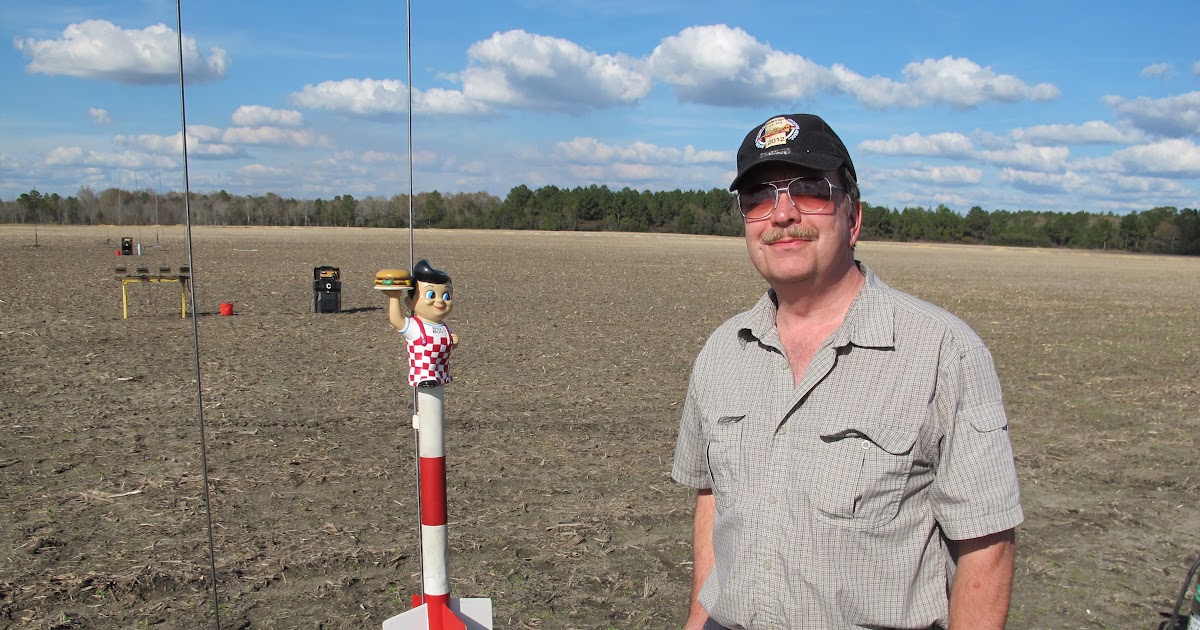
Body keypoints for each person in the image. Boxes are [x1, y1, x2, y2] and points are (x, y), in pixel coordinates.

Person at [671, 114, 1023, 630]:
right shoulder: (723, 350)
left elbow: (986, 546)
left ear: (853, 218)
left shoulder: (943, 352)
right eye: (758, 197)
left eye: (810, 190)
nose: (782, 213)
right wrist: (698, 620)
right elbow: (713, 497)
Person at [385, 259, 458, 387]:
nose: (440, 301)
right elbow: (396, 320)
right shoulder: (415, 327)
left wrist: (453, 342)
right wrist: (394, 297)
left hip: (442, 374)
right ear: (409, 302)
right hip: (424, 376)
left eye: (446, 296)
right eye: (431, 294)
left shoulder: (444, 328)